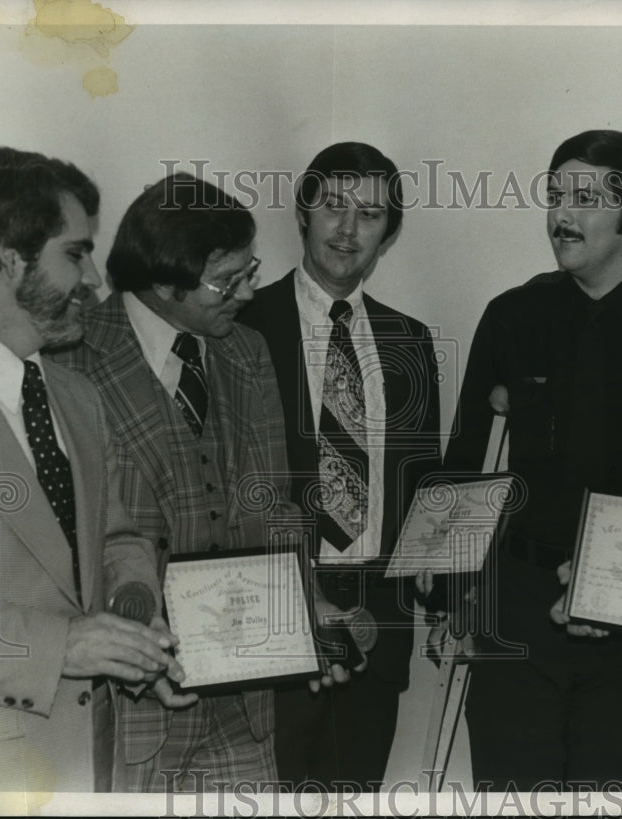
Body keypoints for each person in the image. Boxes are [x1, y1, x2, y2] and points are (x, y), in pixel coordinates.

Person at [439, 130, 622, 791]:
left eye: (586, 198)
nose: (562, 214)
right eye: (556, 194)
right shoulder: (513, 315)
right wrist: (449, 585)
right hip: (521, 609)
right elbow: (465, 462)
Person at [0, 147, 182, 791]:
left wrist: (132, 622)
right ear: (12, 259)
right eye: (75, 253)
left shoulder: (77, 397)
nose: (93, 278)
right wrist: (61, 647)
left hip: (89, 767)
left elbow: (115, 539)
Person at [54, 172, 300, 792]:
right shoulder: (68, 361)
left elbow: (274, 503)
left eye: (252, 269)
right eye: (228, 279)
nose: (249, 290)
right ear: (164, 282)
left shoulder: (248, 351)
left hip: (247, 697)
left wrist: (305, 606)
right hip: (132, 707)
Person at [238, 141, 442, 790]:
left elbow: (421, 479)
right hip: (277, 603)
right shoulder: (243, 325)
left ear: (390, 232)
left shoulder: (408, 338)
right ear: (303, 212)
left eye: (371, 214)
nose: (348, 229)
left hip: (377, 620)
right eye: (333, 206)